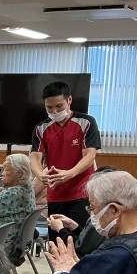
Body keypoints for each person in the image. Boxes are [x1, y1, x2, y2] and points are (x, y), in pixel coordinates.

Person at [27, 167, 116, 274]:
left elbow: (79, 248)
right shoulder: (103, 214)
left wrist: (60, 230)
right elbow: (88, 240)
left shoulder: (104, 218)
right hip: (90, 268)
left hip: (87, 273)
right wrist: (73, 226)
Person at [30, 81, 101, 241]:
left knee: (80, 242)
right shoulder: (41, 128)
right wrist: (40, 174)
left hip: (82, 193)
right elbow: (35, 157)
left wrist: (69, 174)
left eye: (59, 106)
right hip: (55, 195)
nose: (54, 111)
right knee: (56, 243)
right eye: (49, 107)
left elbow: (90, 156)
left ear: (69, 100)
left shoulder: (86, 122)